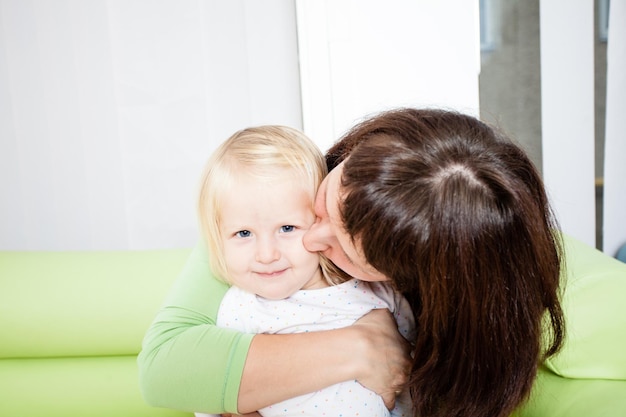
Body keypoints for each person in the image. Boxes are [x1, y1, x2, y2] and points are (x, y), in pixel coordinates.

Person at [139, 108, 565, 417]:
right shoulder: (272, 200)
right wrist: (362, 348)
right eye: (325, 206)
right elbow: (164, 369)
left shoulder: (464, 303)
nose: (312, 236)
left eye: (348, 249)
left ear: (409, 278)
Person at [191, 125, 414, 417]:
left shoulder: (376, 291)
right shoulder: (239, 309)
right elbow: (211, 394)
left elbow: (408, 373)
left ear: (320, 220)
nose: (267, 255)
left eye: (287, 228)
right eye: (244, 233)